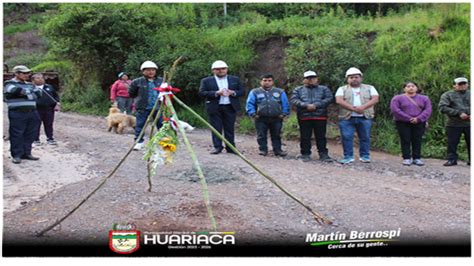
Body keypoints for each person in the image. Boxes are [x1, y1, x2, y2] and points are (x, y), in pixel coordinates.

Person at [198, 60, 244, 154]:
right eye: (218, 69)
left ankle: (231, 148)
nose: (221, 71)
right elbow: (201, 93)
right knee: (216, 128)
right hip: (214, 107)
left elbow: (242, 91)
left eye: (223, 69)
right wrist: (216, 93)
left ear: (227, 69)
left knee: (229, 128)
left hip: (230, 106)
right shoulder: (206, 81)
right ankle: (217, 147)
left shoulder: (235, 79)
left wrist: (233, 92)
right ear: (213, 70)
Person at [335, 67, 379, 164]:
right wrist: (353, 108)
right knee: (346, 137)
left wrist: (363, 107)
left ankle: (365, 156)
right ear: (347, 79)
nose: (354, 79)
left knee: (365, 137)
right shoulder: (342, 89)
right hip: (346, 117)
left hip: (365, 116)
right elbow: (339, 100)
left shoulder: (370, 88)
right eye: (351, 77)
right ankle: (348, 156)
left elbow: (375, 99)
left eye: (356, 77)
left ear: (361, 78)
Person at [290, 71, 334, 162]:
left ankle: (323, 154)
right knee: (305, 136)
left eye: (313, 78)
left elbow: (329, 98)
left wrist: (316, 105)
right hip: (304, 116)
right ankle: (305, 154)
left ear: (317, 79)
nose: (311, 80)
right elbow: (294, 100)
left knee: (321, 136)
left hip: (320, 116)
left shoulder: (324, 89)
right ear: (304, 79)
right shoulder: (298, 89)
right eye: (308, 78)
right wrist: (305, 105)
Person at [3, 65, 42, 164]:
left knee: (30, 133)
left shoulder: (30, 84)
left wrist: (25, 93)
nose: (27, 75)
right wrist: (29, 93)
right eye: (24, 73)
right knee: (17, 134)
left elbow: (39, 94)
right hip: (17, 112)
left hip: (32, 112)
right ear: (16, 73)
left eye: (28, 73)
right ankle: (16, 155)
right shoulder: (9, 83)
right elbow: (15, 90)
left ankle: (26, 153)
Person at [246, 73, 290, 156]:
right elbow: (250, 103)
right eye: (265, 80)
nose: (267, 82)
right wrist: (253, 114)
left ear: (273, 82)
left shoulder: (280, 91)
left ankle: (278, 150)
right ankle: (263, 150)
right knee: (261, 135)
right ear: (260, 82)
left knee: (276, 134)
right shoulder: (254, 92)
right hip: (260, 118)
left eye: (269, 80)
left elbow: (285, 103)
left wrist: (284, 113)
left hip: (276, 117)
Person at [390, 82, 432, 166]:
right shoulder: (397, 98)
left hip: (419, 122)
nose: (411, 88)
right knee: (405, 139)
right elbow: (395, 110)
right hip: (402, 122)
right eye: (408, 86)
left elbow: (428, 110)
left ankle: (417, 158)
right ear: (404, 89)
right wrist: (408, 118)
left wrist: (418, 118)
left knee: (417, 139)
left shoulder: (424, 98)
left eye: (413, 86)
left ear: (416, 88)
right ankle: (406, 158)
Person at [128, 61, 163, 150]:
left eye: (153, 70)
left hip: (158, 107)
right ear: (143, 71)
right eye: (148, 70)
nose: (151, 72)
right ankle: (139, 142)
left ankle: (163, 141)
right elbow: (131, 93)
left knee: (161, 124)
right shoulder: (137, 82)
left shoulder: (161, 81)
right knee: (140, 125)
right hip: (143, 107)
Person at [439, 77, 470, 166]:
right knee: (452, 143)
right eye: (460, 84)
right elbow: (443, 107)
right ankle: (452, 159)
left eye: (464, 84)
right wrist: (458, 113)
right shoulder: (447, 95)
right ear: (454, 86)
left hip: (470, 123)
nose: (463, 86)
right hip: (453, 123)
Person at [32, 73, 61, 146]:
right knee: (36, 124)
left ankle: (50, 138)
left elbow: (56, 96)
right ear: (33, 80)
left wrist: (57, 104)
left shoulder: (49, 87)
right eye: (37, 78)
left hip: (49, 108)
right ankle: (36, 139)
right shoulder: (31, 88)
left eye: (41, 78)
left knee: (49, 124)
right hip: (36, 109)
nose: (40, 79)